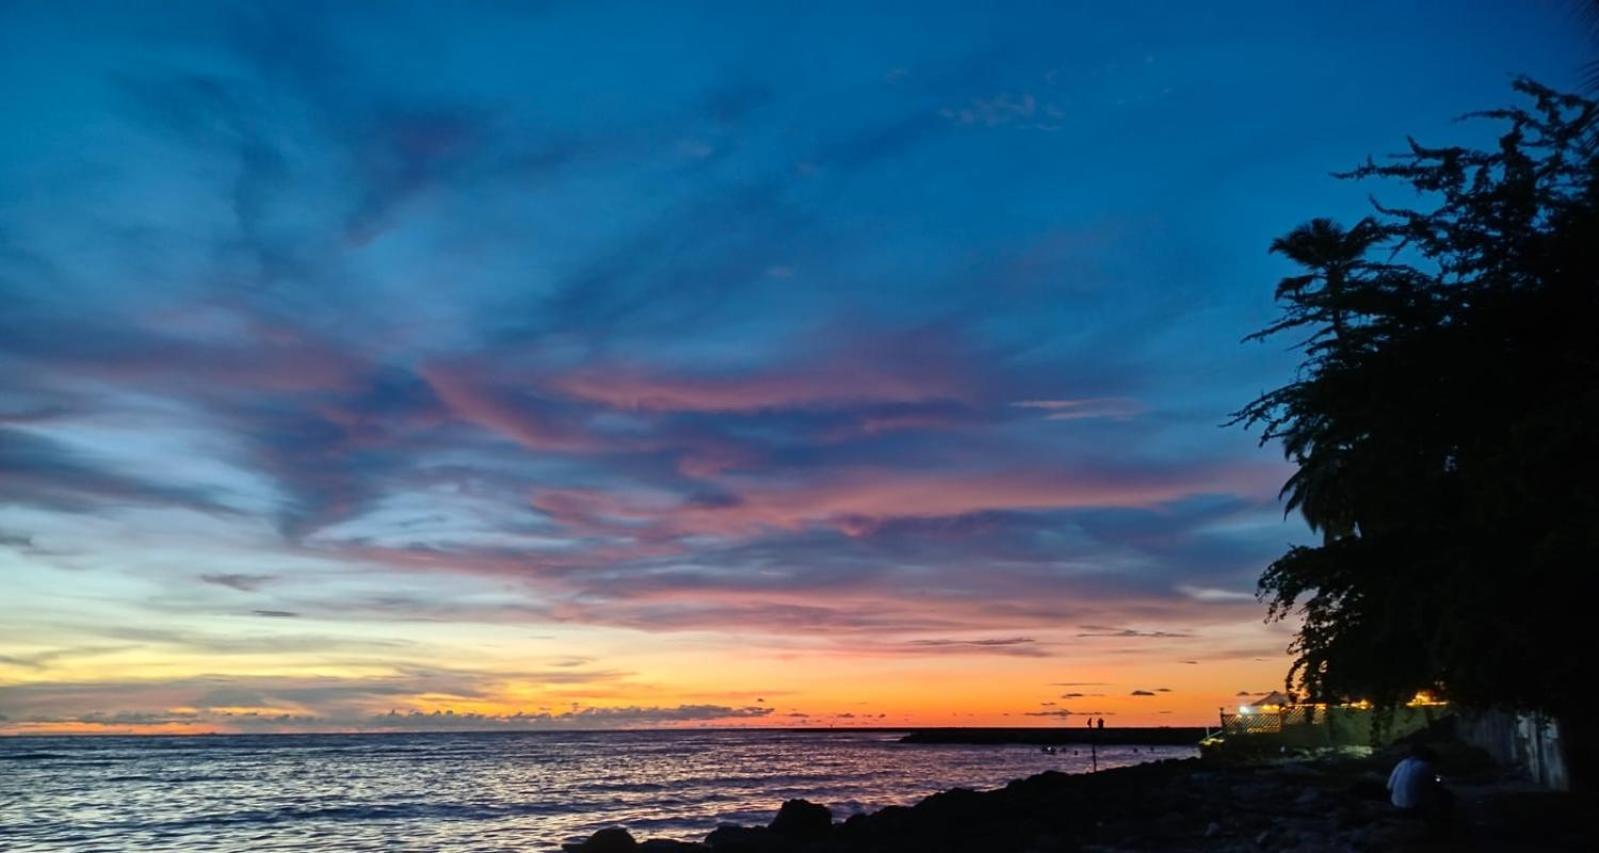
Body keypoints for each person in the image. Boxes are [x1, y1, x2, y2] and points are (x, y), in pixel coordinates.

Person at [1387, 744, 1453, 822]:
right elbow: (1436, 784)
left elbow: (1389, 786)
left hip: (1396, 803)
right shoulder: (1426, 766)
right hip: (1414, 807)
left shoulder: (1402, 763)